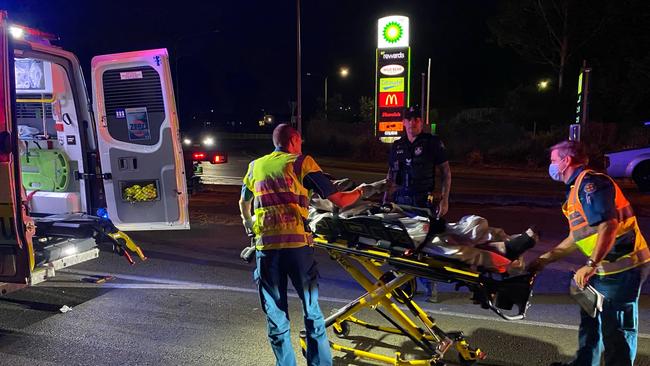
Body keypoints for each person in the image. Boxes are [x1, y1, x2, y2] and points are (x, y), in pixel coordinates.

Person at [239, 124, 363, 366]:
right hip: (297, 249)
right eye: (300, 141)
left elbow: (244, 202)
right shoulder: (300, 162)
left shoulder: (255, 166)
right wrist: (361, 191)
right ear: (294, 139)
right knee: (311, 310)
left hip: (267, 251)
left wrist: (249, 225)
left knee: (275, 315)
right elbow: (339, 199)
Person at [529, 140, 650, 366]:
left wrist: (591, 264)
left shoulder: (591, 184)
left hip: (623, 267)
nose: (551, 166)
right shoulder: (576, 190)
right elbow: (578, 236)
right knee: (591, 318)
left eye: (554, 160)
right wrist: (543, 260)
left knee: (617, 329)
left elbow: (609, 226)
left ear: (566, 161)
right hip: (605, 266)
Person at [386, 105, 452, 303]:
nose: (413, 122)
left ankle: (430, 285)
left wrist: (445, 199)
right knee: (401, 244)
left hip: (424, 201)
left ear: (421, 122)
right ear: (403, 122)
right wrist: (386, 199)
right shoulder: (397, 146)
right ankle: (405, 283)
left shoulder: (432, 143)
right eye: (410, 119)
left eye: (417, 119)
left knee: (424, 245)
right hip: (402, 201)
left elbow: (446, 173)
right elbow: (390, 174)